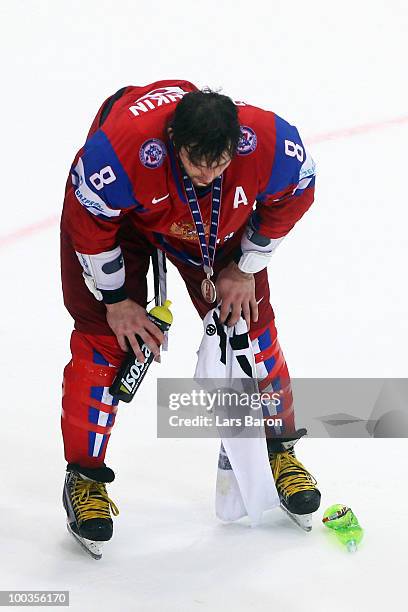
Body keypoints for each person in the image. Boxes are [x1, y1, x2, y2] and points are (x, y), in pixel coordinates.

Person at [60, 79, 320, 558]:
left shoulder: (266, 142)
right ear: (174, 142)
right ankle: (85, 479)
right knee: (106, 344)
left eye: (219, 162)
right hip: (123, 222)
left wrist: (245, 269)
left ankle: (279, 450)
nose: (207, 172)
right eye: (196, 162)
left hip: (210, 230)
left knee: (249, 331)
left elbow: (298, 191)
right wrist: (116, 300)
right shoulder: (119, 156)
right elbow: (89, 224)